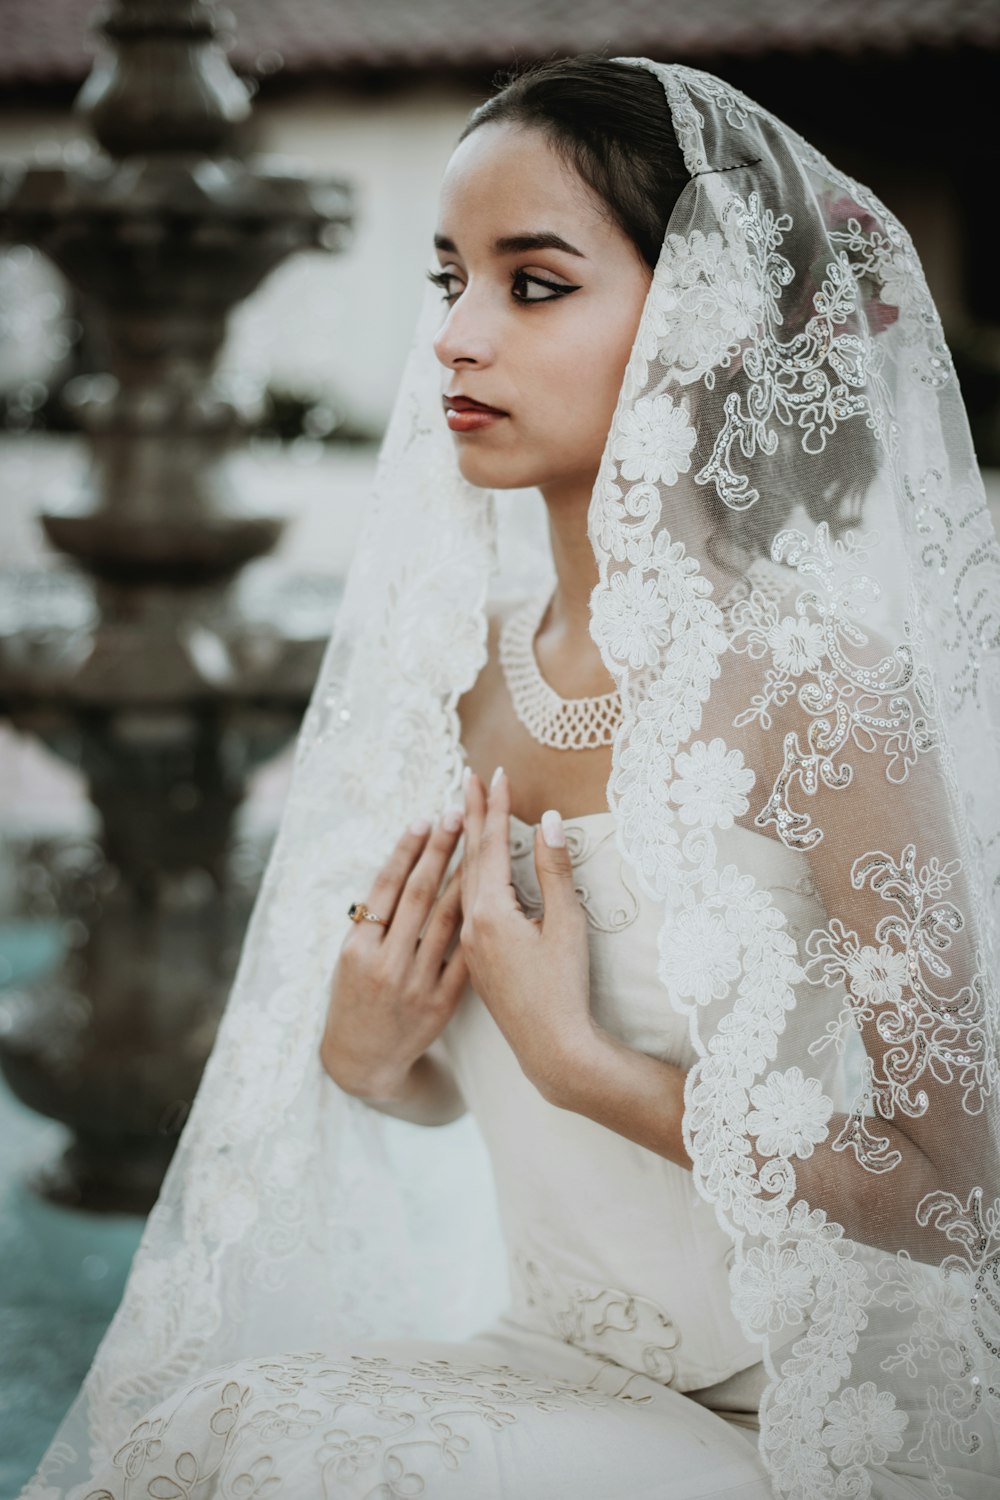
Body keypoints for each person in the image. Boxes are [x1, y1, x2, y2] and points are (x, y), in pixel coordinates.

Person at [20, 54, 1000, 1500]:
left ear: (707, 323)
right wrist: (370, 1045)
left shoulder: (826, 697)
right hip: (545, 1363)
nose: (459, 340)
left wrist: (584, 1069)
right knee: (188, 1441)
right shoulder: (452, 674)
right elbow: (428, 1083)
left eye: (533, 283)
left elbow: (960, 1200)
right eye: (448, 283)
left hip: (802, 1414)